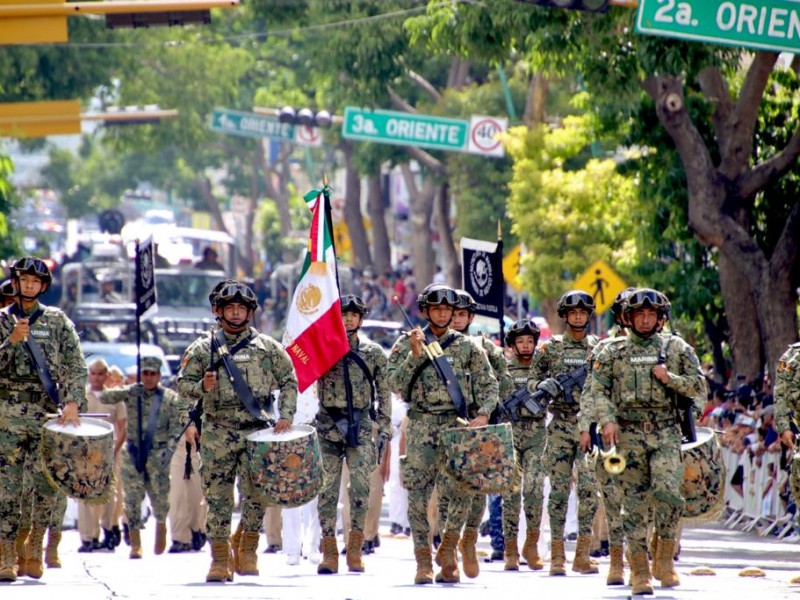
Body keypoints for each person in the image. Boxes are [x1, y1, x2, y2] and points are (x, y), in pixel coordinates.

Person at [178, 281, 298, 583]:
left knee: (257, 495)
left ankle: (247, 548)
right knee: (218, 498)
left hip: (256, 432)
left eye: (240, 308)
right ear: (219, 311)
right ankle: (219, 557)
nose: (235, 313)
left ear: (250, 312)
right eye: (229, 308)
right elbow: (182, 387)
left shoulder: (268, 348)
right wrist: (199, 392)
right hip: (218, 431)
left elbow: (289, 380)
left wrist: (286, 416)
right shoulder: (203, 348)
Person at [590, 288, 706, 595]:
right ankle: (639, 570)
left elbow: (698, 386)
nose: (644, 320)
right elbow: (598, 391)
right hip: (627, 435)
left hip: (666, 432)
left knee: (669, 495)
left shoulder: (676, 348)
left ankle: (665, 560)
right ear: (628, 318)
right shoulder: (611, 351)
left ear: (660, 318)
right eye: (639, 314)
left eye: (650, 315)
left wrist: (671, 379)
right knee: (634, 504)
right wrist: (607, 420)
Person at [386, 283, 499, 585]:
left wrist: (484, 414)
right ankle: (423, 559)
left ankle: (449, 548)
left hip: (457, 425)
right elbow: (394, 384)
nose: (441, 314)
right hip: (421, 425)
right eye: (435, 309)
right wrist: (414, 354)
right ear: (425, 311)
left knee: (461, 491)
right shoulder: (408, 342)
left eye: (446, 309)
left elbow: (490, 385)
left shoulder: (468, 347)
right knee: (418, 496)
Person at [0, 257, 87, 582]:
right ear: (16, 283)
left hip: (46, 413)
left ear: (44, 286)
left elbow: (76, 366)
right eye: (25, 281)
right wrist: (11, 343)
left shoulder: (57, 321)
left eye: (36, 282)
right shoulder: (3, 321)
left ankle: (35, 549)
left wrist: (74, 402)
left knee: (46, 486)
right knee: (7, 488)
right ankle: (6, 553)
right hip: (7, 415)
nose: (30, 286)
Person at [432, 289, 512, 579]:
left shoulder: (485, 349)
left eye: (463, 314)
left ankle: (468, 542)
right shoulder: (436, 346)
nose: (457, 319)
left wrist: (487, 413)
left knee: (477, 492)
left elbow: (503, 384)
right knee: (446, 492)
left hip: (479, 428)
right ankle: (448, 550)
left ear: (470, 317)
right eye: (455, 313)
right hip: (448, 427)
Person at [315, 294, 391, 575]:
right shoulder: (323, 347)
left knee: (360, 489)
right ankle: (329, 550)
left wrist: (384, 427)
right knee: (327, 490)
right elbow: (302, 373)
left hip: (359, 427)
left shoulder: (372, 353)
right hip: (327, 427)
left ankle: (355, 547)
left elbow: (384, 392)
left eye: (353, 315)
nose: (348, 319)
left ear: (361, 319)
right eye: (343, 315)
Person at [528, 290, 599, 577]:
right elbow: (532, 379)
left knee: (588, 491)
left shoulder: (599, 349)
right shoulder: (550, 349)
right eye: (573, 312)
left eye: (582, 312)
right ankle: (557, 554)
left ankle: (583, 552)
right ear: (565, 316)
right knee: (557, 491)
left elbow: (605, 386)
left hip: (588, 427)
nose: (578, 316)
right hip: (558, 425)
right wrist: (545, 385)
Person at [98, 355, 186, 560]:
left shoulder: (170, 399)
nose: (148, 378)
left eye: (152, 374)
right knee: (132, 499)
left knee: (160, 499)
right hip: (134, 452)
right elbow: (104, 397)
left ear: (159, 375)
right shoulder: (133, 393)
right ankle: (135, 544)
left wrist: (169, 451)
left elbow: (176, 428)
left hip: (158, 453)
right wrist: (128, 390)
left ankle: (161, 528)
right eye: (144, 373)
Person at [578, 287, 634, 587]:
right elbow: (592, 392)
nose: (636, 318)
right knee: (613, 499)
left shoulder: (668, 348)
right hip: (613, 440)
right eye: (629, 312)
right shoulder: (606, 350)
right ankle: (617, 560)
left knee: (652, 501)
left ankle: (650, 558)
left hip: (652, 437)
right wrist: (586, 427)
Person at [501, 318, 547, 572]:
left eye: (530, 341)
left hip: (537, 435)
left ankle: (531, 544)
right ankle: (510, 550)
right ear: (512, 344)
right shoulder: (503, 370)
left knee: (534, 490)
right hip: (510, 434)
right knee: (510, 493)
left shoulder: (542, 370)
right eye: (521, 341)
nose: (526, 346)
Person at [77, 358, 127, 553]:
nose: (96, 377)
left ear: (107, 375)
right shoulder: (81, 398)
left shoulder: (115, 399)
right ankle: (88, 537)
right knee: (85, 495)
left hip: (109, 453)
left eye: (100, 373)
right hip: (85, 455)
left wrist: (114, 450)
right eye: (93, 373)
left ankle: (108, 528)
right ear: (89, 375)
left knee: (109, 496)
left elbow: (122, 429)